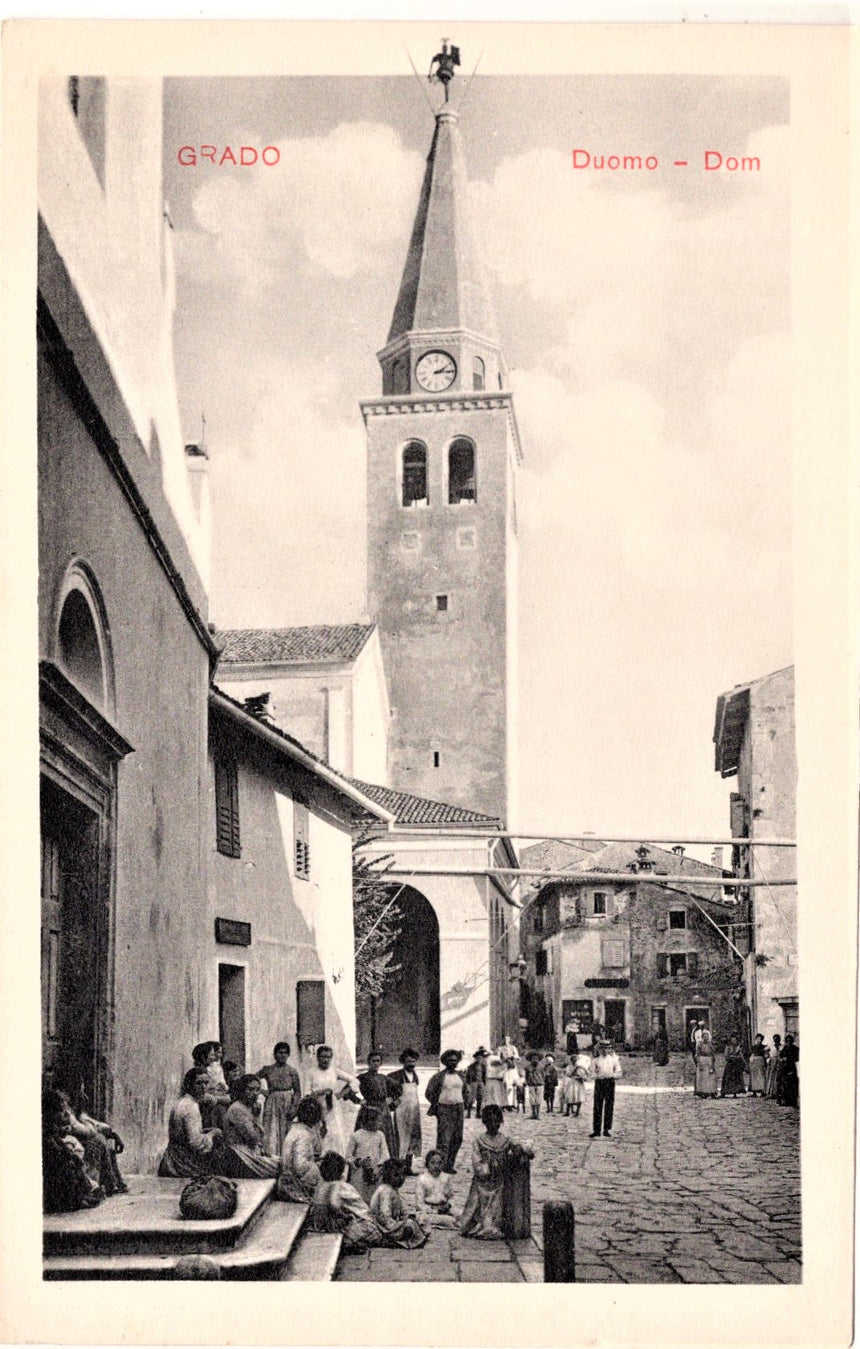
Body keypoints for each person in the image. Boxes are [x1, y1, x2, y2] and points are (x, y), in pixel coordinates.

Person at [459, 1105, 534, 1240]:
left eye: (496, 1122)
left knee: (498, 1205)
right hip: (483, 1183)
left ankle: (496, 1225)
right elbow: (476, 1163)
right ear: (485, 1122)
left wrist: (521, 1150)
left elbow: (522, 1147)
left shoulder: (505, 1139)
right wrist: (486, 1168)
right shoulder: (479, 1141)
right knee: (480, 1208)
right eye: (490, 1122)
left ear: (500, 1122)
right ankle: (481, 1225)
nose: (493, 1125)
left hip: (499, 1182)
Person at [55, 1079, 127, 1197]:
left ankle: (114, 1183)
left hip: (76, 1137)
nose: (83, 1095)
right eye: (81, 1090)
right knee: (97, 1143)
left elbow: (87, 1121)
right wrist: (94, 1129)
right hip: (66, 1139)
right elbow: (80, 1128)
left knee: (101, 1141)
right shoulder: (63, 1104)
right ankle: (96, 1186)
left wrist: (111, 1132)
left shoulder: (72, 1105)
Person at [306, 1151, 384, 1252]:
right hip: (330, 1223)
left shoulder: (321, 1184)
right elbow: (334, 1203)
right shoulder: (338, 1186)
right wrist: (343, 1214)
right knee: (372, 1231)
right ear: (340, 1171)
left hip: (319, 1222)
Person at [42, 1089, 102, 1213]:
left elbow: (58, 1141)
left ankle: (83, 1194)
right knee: (68, 1166)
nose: (64, 1112)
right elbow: (53, 1144)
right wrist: (68, 1154)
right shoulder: (46, 1129)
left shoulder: (55, 1124)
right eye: (60, 1110)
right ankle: (77, 1198)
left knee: (73, 1162)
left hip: (58, 1151)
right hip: (51, 1163)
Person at [158, 1068, 223, 1177]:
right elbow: (196, 1144)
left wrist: (204, 1132)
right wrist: (213, 1133)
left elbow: (185, 1133)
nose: (203, 1087)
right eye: (199, 1083)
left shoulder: (184, 1102)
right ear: (189, 1085)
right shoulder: (190, 1107)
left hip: (173, 1158)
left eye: (206, 1083)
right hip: (182, 1162)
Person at [222, 1074, 281, 1178]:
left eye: (257, 1090)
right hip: (239, 1154)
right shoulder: (237, 1109)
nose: (255, 1093)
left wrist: (262, 1149)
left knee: (285, 1163)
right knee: (283, 1168)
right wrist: (256, 1115)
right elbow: (254, 1137)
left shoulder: (249, 1107)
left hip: (250, 1151)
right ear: (242, 1090)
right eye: (250, 1089)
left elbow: (258, 1139)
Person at [306, 1045, 360, 1155]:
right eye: (322, 1057)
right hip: (316, 1107)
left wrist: (342, 1093)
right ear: (317, 1057)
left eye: (328, 1057)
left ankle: (336, 1163)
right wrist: (321, 1092)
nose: (325, 1060)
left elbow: (354, 1081)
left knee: (335, 1134)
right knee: (319, 1134)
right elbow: (307, 1093)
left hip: (332, 1107)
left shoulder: (335, 1071)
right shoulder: (310, 1072)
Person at [369, 1158, 428, 1248]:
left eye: (402, 1175)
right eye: (396, 1175)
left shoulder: (393, 1188)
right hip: (383, 1226)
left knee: (421, 1217)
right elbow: (384, 1215)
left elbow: (402, 1206)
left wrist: (410, 1214)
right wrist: (398, 1225)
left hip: (392, 1222)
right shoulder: (385, 1190)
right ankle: (395, 1240)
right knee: (409, 1225)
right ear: (387, 1175)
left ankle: (411, 1234)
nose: (401, 1178)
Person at [425, 1049, 466, 1174]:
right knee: (444, 1139)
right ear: (445, 1062)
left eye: (454, 1060)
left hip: (459, 1108)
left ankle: (450, 1164)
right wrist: (436, 1105)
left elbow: (465, 1090)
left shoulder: (460, 1076)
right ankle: (440, 1165)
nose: (452, 1063)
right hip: (444, 1109)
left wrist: (467, 1101)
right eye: (450, 1060)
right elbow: (429, 1093)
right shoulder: (439, 1077)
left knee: (457, 1138)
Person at [257, 1042, 302, 1155]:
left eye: (285, 1053)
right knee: (271, 1130)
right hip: (272, 1103)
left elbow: (297, 1092)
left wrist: (294, 1107)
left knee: (286, 1131)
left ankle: (285, 1157)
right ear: (275, 1054)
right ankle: (272, 1156)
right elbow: (253, 1079)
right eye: (280, 1053)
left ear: (288, 1055)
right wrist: (263, 1092)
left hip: (287, 1103)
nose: (283, 1055)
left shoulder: (292, 1071)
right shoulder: (268, 1069)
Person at [277, 1096, 324, 1202]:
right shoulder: (303, 1135)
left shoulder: (296, 1129)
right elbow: (300, 1167)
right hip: (294, 1185)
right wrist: (316, 1165)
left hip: (289, 1180)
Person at [357, 1050, 400, 1158]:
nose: (376, 1063)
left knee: (385, 1136)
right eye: (373, 1061)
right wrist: (358, 1100)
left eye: (378, 1061)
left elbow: (399, 1088)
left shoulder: (383, 1078)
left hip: (383, 1110)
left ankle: (386, 1163)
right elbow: (348, 1090)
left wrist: (392, 1099)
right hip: (369, 1109)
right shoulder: (363, 1077)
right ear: (369, 1062)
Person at [387, 1048, 423, 1174]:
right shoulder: (396, 1075)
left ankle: (408, 1166)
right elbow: (387, 1089)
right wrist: (393, 1102)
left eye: (413, 1061)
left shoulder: (415, 1075)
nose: (411, 1064)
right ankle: (399, 1167)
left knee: (413, 1138)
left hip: (414, 1110)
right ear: (403, 1062)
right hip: (402, 1111)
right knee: (402, 1138)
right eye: (409, 1061)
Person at [345, 1104, 389, 1205]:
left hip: (375, 1172)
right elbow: (348, 1156)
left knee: (374, 1196)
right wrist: (359, 1162)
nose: (380, 1124)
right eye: (378, 1121)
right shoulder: (356, 1136)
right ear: (369, 1121)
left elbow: (385, 1154)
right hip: (359, 1173)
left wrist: (379, 1168)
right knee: (359, 1196)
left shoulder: (380, 1135)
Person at [192, 1042, 230, 1129]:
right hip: (207, 1109)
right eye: (212, 1055)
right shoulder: (198, 1073)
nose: (214, 1058)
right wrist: (221, 1098)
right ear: (203, 1057)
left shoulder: (208, 1069)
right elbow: (201, 1096)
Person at [589, 1039, 622, 1138]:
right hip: (599, 1083)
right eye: (602, 1049)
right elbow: (591, 1073)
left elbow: (619, 1072)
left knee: (609, 1105)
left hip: (610, 1082)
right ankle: (596, 1130)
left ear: (609, 1050)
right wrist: (596, 1074)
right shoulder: (595, 1060)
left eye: (606, 1049)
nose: (604, 1051)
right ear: (599, 1050)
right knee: (597, 1106)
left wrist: (613, 1075)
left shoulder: (614, 1060)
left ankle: (606, 1129)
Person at [415, 1149, 455, 1224]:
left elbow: (451, 1196)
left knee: (461, 1215)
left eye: (440, 1163)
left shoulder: (446, 1177)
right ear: (427, 1164)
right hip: (429, 1211)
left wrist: (448, 1205)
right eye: (433, 1163)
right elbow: (419, 1204)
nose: (436, 1166)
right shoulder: (422, 1179)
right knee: (422, 1218)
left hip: (444, 1209)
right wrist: (435, 1211)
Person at [694, 1029, 719, 1098]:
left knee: (711, 1077)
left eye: (707, 1037)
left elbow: (713, 1053)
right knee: (703, 1077)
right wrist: (698, 1062)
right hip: (702, 1060)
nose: (706, 1038)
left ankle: (712, 1091)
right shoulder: (699, 1044)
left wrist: (713, 1060)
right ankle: (703, 1092)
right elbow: (697, 1054)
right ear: (702, 1037)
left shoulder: (710, 1044)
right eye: (704, 1036)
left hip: (709, 1060)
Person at [464, 1048, 488, 1119]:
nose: (479, 1060)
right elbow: (467, 1077)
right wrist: (468, 1085)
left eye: (480, 1058)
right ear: (475, 1059)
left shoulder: (483, 1067)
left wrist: (484, 1084)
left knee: (480, 1098)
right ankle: (468, 1113)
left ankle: (478, 1113)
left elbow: (484, 1076)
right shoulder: (471, 1067)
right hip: (473, 1083)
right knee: (471, 1099)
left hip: (481, 1083)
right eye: (477, 1058)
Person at [778, 1034, 799, 1107]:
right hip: (784, 1068)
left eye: (790, 1041)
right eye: (787, 1041)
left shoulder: (796, 1049)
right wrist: (782, 1059)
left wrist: (789, 1058)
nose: (788, 1042)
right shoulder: (784, 1048)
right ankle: (785, 1100)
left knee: (792, 1084)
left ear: (792, 1041)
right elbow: (780, 1057)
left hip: (792, 1067)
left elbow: (797, 1058)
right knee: (784, 1084)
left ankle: (792, 1101)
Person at [524, 1053, 543, 1119]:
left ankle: (538, 1114)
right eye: (533, 1059)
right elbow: (526, 1076)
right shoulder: (527, 1067)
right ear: (530, 1060)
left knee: (538, 1100)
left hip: (539, 1085)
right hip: (531, 1085)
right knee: (532, 1100)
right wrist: (528, 1082)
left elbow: (544, 1076)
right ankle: (533, 1114)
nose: (535, 1060)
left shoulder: (541, 1067)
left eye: (536, 1059)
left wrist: (540, 1081)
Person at [766, 1034, 783, 1098]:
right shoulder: (771, 1046)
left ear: (779, 1039)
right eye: (775, 1039)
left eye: (777, 1038)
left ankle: (777, 1092)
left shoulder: (782, 1046)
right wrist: (768, 1057)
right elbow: (765, 1050)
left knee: (778, 1077)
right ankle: (771, 1092)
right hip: (773, 1061)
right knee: (772, 1076)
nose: (776, 1040)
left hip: (780, 1062)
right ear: (773, 1040)